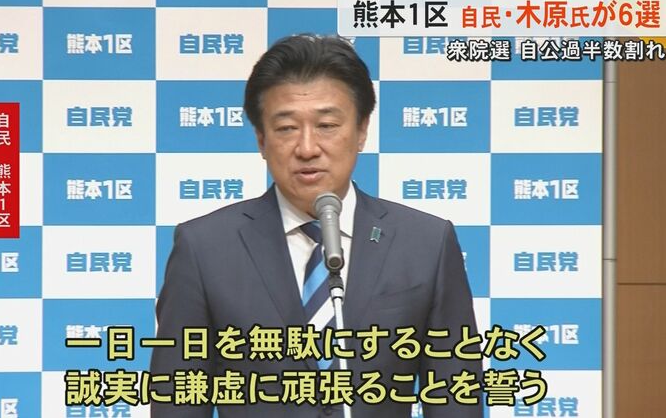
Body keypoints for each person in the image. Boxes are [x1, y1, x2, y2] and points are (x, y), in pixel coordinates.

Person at [151, 34, 483, 417]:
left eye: (326, 125)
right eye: (286, 128)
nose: (307, 148)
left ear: (361, 130)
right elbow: (177, 402)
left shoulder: (426, 243)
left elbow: (457, 399)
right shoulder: (204, 249)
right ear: (261, 139)